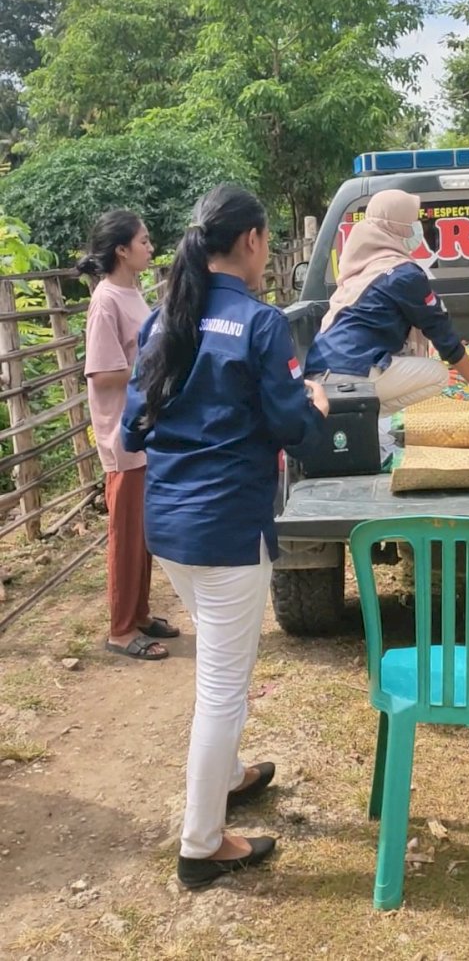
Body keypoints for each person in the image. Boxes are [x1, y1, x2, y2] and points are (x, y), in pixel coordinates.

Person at [121, 185, 328, 890]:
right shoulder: (261, 322)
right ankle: (201, 843)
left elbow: (130, 428)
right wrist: (312, 403)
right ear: (251, 241)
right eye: (267, 241)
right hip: (228, 529)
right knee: (221, 684)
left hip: (170, 525)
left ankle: (230, 775)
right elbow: (292, 423)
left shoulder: (161, 320)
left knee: (219, 657)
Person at [80, 210, 178, 662]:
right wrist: (150, 370)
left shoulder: (130, 292)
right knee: (125, 534)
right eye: (142, 240)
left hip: (143, 426)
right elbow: (101, 374)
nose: (149, 245)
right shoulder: (106, 300)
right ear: (121, 249)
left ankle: (139, 613)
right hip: (122, 434)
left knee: (143, 531)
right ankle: (120, 630)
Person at [305, 190, 469, 418]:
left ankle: (360, 418)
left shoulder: (362, 267)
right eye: (412, 222)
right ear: (396, 226)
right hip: (354, 372)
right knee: (438, 375)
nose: (418, 230)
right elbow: (444, 339)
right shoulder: (403, 275)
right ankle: (362, 416)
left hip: (318, 373)